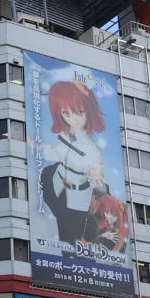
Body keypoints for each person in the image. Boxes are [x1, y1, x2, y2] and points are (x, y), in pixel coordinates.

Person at [39, 80, 108, 248]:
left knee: (74, 246)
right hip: (58, 189)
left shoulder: (91, 148)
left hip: (78, 199)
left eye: (79, 112)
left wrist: (95, 173)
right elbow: (55, 152)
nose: (73, 119)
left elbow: (96, 168)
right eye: (66, 113)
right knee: (66, 236)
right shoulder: (65, 134)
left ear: (88, 111)